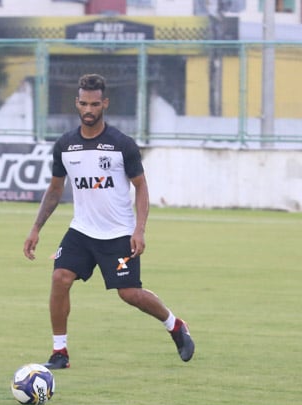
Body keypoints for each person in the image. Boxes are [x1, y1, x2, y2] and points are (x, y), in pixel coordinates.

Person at [23, 73, 194, 370]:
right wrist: (36, 228)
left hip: (118, 234)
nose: (89, 110)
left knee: (129, 293)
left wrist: (139, 230)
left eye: (95, 104)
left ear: (105, 104)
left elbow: (141, 186)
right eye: (84, 104)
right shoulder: (65, 146)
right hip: (82, 230)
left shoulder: (121, 145)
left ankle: (174, 325)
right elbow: (54, 190)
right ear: (77, 104)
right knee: (59, 278)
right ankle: (59, 352)